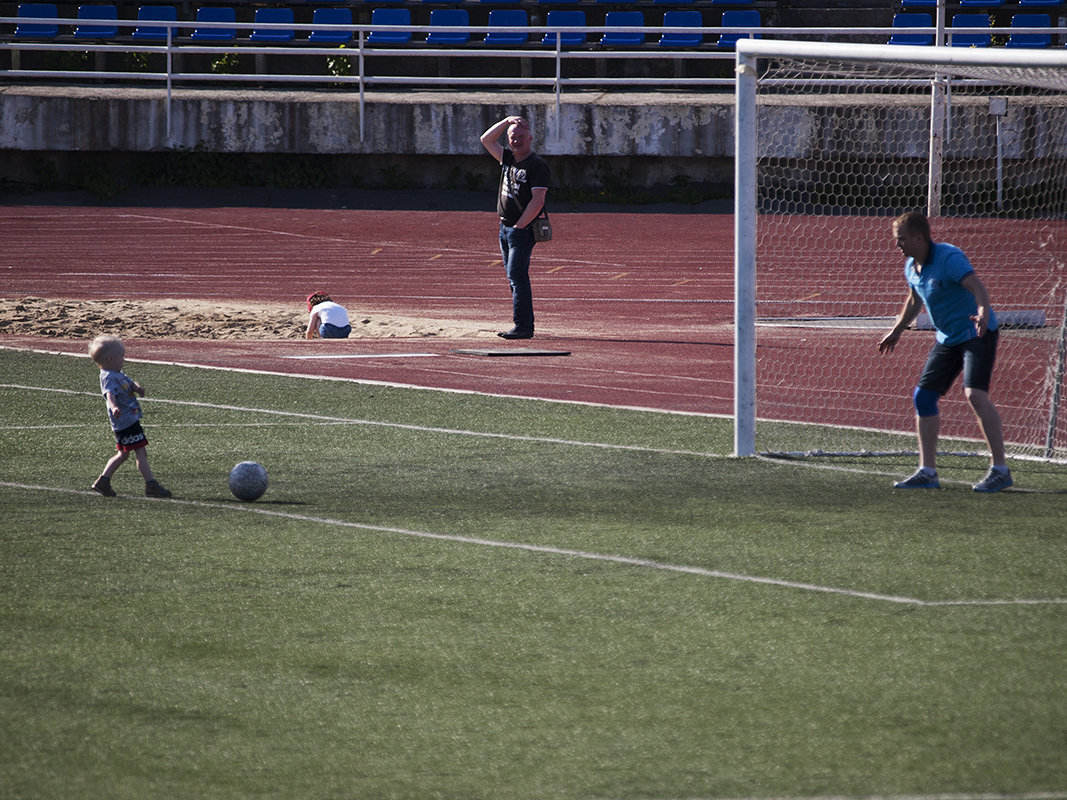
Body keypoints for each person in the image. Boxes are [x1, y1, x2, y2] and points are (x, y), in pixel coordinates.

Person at [878, 211, 1012, 493]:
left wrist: (983, 312)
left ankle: (1000, 469)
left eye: (901, 239)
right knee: (923, 398)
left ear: (919, 237)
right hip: (948, 338)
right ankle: (927, 472)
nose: (897, 245)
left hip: (976, 332)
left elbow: (977, 287)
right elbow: (915, 300)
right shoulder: (911, 266)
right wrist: (897, 329)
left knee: (974, 394)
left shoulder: (949, 258)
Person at [479, 115, 550, 340]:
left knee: (517, 275)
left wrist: (520, 226)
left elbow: (538, 200)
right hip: (504, 227)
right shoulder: (507, 158)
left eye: (520, 136)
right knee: (513, 278)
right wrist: (506, 122)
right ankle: (521, 323)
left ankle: (524, 326)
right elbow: (486, 140)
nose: (516, 140)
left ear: (530, 138)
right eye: (513, 137)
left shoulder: (536, 165)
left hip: (522, 230)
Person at [89, 335, 172, 498]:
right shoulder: (107, 376)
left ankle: (103, 481)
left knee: (124, 454)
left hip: (128, 421)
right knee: (140, 453)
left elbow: (128, 382)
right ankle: (151, 485)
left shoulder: (116, 373)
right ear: (110, 358)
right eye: (122, 356)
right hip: (125, 422)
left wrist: (137, 388)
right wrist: (113, 407)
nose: (124, 360)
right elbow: (109, 394)